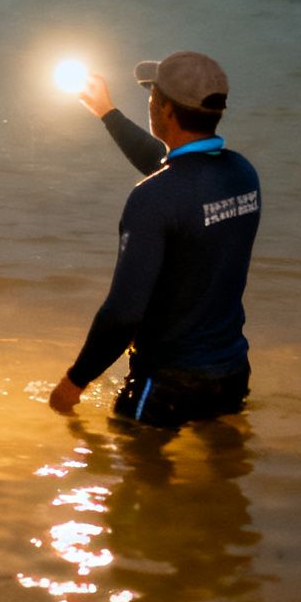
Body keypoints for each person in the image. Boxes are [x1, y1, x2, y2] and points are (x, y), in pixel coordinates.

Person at [49, 51, 261, 429]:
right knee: (224, 477)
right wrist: (107, 112)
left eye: (152, 95)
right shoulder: (242, 174)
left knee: (135, 481)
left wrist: (74, 381)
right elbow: (174, 171)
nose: (149, 103)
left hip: (167, 384)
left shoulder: (151, 199)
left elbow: (123, 313)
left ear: (165, 111)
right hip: (231, 374)